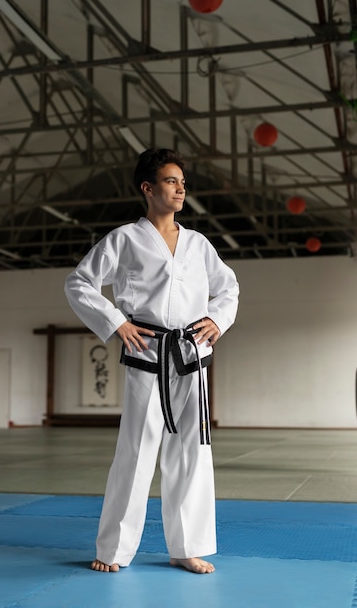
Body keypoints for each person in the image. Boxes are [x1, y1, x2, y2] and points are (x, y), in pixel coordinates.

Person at [64, 148, 239, 574]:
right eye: (171, 181)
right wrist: (116, 322)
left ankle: (186, 547)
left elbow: (228, 287)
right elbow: (80, 282)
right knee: (136, 452)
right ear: (148, 188)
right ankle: (114, 550)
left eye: (182, 181)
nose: (181, 188)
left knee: (191, 454)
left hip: (191, 355)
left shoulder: (198, 244)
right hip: (147, 356)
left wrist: (217, 319)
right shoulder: (125, 239)